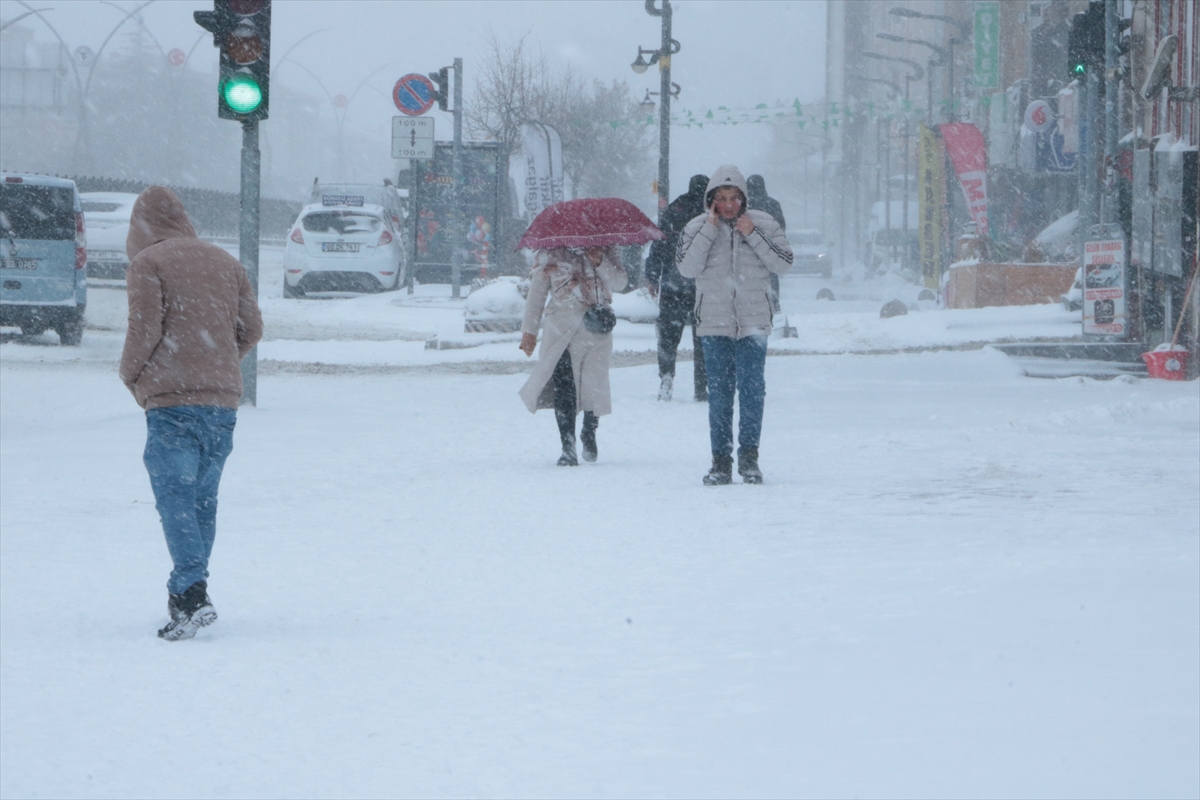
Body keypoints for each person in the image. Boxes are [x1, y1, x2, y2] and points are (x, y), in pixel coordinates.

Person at [119, 186, 263, 641]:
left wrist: (132, 376)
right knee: (202, 499)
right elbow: (253, 327)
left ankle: (189, 592)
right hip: (221, 404)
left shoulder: (149, 263)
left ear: (139, 227)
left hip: (172, 403)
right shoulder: (226, 262)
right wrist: (221, 364)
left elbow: (145, 328)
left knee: (175, 498)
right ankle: (191, 588)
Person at [677, 165, 792, 485]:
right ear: (711, 199)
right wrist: (710, 229)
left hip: (754, 320)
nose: (728, 204)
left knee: (753, 391)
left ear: (744, 198)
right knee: (720, 393)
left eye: (734, 198)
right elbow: (687, 268)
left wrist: (752, 233)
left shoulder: (764, 223)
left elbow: (782, 263)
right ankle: (721, 461)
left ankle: (749, 458)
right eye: (722, 198)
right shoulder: (697, 227)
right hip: (714, 323)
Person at [519, 246, 628, 465]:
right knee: (564, 389)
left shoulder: (605, 247)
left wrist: (599, 261)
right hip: (561, 330)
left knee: (593, 387)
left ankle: (589, 429)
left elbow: (620, 283)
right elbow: (537, 294)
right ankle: (567, 447)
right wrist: (528, 332)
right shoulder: (550, 252)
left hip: (596, 329)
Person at [644, 174, 709, 402]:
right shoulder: (708, 212)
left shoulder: (674, 209)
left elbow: (658, 246)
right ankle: (702, 386)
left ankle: (667, 376)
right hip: (701, 287)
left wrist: (652, 276)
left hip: (673, 285)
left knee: (669, 337)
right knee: (702, 338)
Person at [746, 174, 788, 314]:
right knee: (771, 276)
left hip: (747, 247)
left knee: (747, 276)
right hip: (769, 247)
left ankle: (748, 304)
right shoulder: (773, 204)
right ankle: (773, 304)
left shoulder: (743, 204)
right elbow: (781, 226)